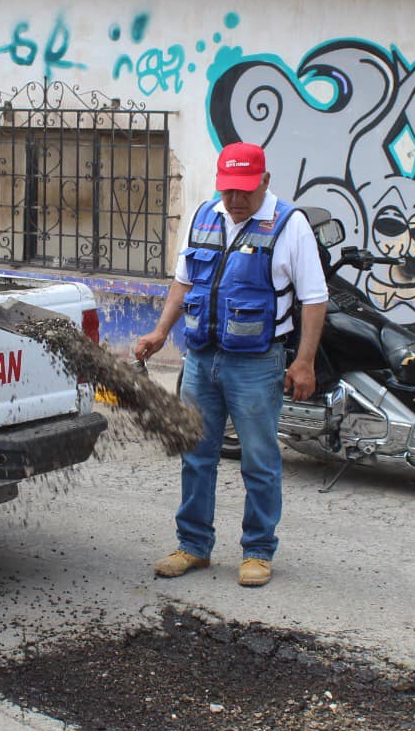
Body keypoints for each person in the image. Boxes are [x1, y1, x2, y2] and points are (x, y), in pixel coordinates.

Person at [133, 142, 328, 588]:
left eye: (244, 191)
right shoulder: (204, 216)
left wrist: (304, 362)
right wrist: (160, 332)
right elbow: (184, 282)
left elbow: (315, 299)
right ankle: (193, 546)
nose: (236, 200)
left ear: (264, 181)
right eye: (228, 191)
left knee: (259, 460)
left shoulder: (290, 226)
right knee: (196, 456)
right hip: (201, 359)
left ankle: (258, 550)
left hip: (257, 364)